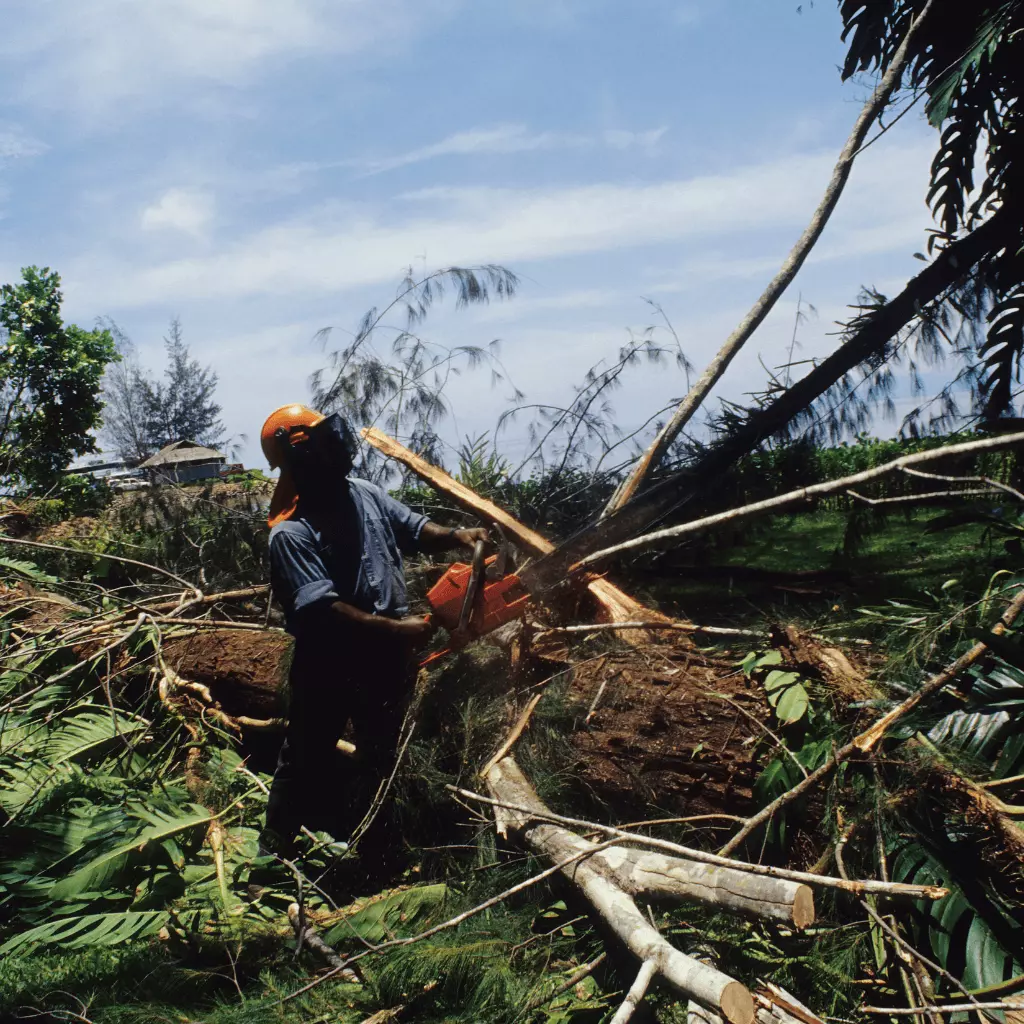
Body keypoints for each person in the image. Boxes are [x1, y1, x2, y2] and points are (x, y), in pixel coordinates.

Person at [257, 404, 488, 857]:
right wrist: (397, 629)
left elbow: (418, 530)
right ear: (301, 456)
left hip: (385, 658)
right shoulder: (291, 534)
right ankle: (271, 853)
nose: (339, 449)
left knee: (384, 749)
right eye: (326, 443)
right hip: (328, 661)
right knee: (305, 754)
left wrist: (459, 535)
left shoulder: (363, 492)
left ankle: (381, 844)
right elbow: (326, 612)